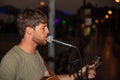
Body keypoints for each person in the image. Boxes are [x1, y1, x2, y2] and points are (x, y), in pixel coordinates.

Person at [0, 8, 96, 80]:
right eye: (43, 28)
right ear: (29, 30)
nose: (48, 31)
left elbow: (51, 79)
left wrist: (79, 74)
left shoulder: (36, 54)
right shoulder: (11, 60)